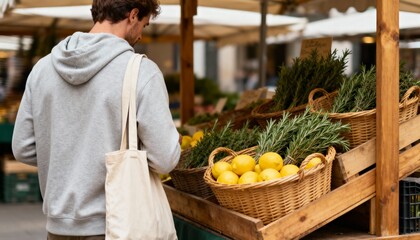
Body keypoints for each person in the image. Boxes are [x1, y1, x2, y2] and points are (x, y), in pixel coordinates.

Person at [11, 0, 181, 239]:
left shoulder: (42, 69)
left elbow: (22, 148)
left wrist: (67, 158)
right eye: (144, 24)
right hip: (118, 226)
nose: (141, 35)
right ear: (132, 15)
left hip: (58, 228)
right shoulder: (141, 71)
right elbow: (165, 159)